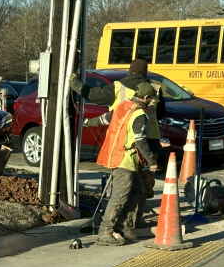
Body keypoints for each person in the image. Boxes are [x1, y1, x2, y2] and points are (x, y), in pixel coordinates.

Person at [69, 59, 163, 225]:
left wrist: (74, 83)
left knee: (124, 188)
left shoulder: (117, 87)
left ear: (130, 71)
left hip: (123, 146)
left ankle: (119, 224)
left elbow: (91, 95)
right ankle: (134, 221)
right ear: (145, 72)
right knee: (142, 186)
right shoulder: (156, 89)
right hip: (149, 143)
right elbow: (161, 113)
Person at [83, 82, 159, 246]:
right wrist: (151, 161)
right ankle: (105, 232)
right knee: (119, 196)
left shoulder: (124, 106)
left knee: (137, 190)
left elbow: (104, 119)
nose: (152, 101)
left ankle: (121, 224)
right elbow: (140, 141)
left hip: (119, 157)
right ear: (146, 98)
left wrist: (88, 122)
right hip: (123, 159)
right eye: (151, 98)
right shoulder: (139, 115)